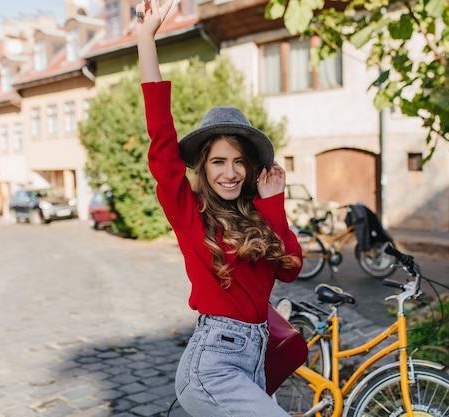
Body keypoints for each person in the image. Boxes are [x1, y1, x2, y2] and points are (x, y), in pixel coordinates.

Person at [134, 1, 303, 416]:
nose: (230, 173)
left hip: (256, 360)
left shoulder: (258, 216)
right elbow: (160, 136)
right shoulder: (188, 211)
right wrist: (145, 39)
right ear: (202, 167)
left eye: (239, 161)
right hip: (213, 365)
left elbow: (291, 268)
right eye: (218, 161)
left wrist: (274, 204)